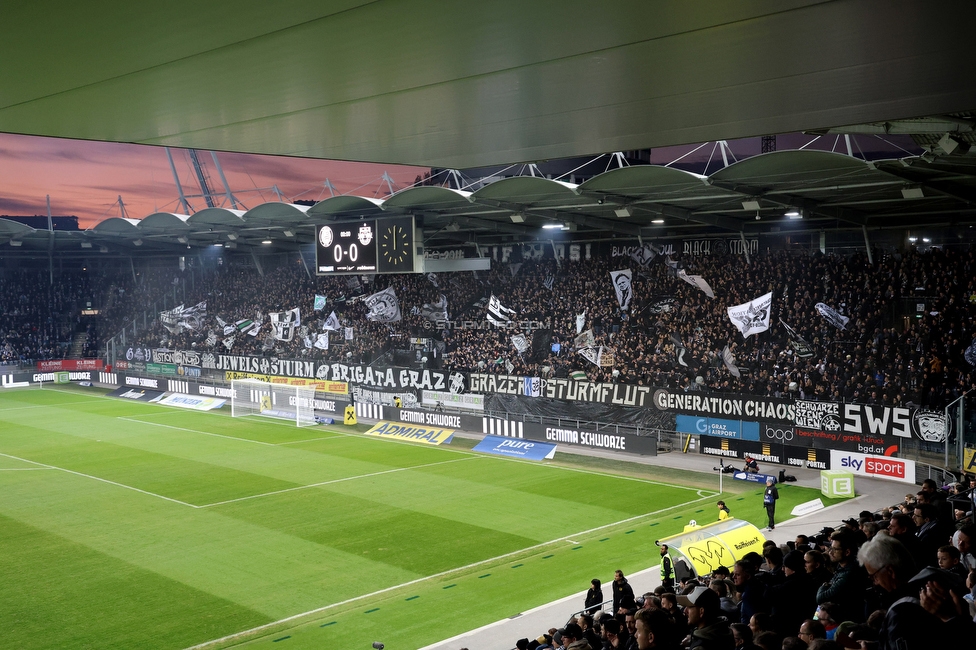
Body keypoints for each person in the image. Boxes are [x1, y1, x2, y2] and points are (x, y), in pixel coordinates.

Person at [678, 585, 734, 650]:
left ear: (701, 611)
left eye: (689, 607)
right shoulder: (724, 632)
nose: (685, 611)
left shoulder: (701, 646)